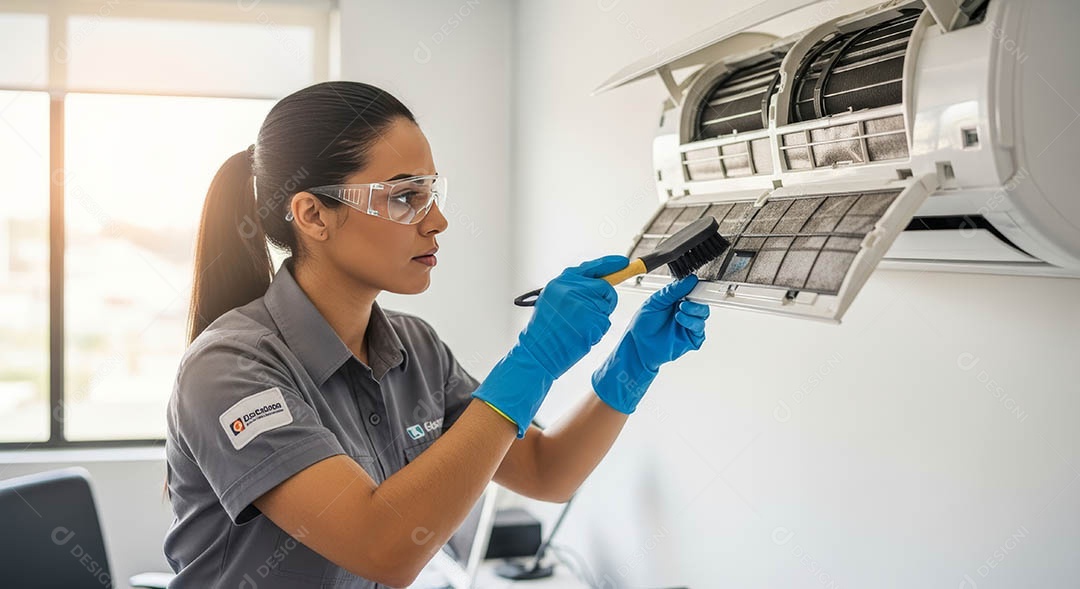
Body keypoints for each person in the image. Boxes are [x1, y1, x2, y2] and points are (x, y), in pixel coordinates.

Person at [162, 80, 710, 588]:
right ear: (312, 215)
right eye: (404, 197)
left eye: (432, 191)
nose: (437, 220)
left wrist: (632, 364)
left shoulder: (414, 348)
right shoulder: (231, 368)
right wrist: (533, 360)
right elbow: (383, 547)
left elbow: (547, 473)